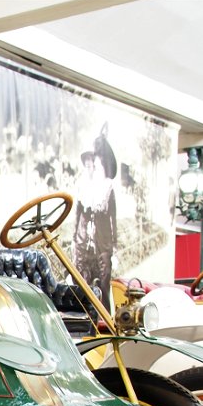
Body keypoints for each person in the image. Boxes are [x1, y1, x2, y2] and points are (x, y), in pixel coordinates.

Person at [73, 124, 117, 310]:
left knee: (103, 287)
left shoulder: (107, 188)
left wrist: (114, 245)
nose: (94, 166)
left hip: (102, 245)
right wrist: (76, 238)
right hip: (84, 245)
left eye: (97, 163)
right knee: (80, 288)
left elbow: (112, 219)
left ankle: (105, 324)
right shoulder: (84, 189)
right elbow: (78, 215)